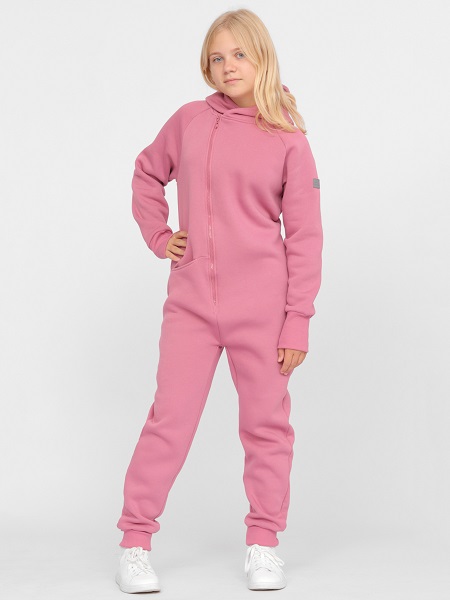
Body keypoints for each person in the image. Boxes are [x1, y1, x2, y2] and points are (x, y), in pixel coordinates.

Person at [115, 8, 323, 593]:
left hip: (263, 312)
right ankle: (135, 542)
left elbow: (305, 238)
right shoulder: (188, 121)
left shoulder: (289, 139)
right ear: (206, 67)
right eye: (216, 57)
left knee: (266, 427)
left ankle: (264, 543)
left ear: (262, 58)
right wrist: (161, 237)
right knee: (169, 422)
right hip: (191, 308)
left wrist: (297, 322)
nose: (228, 66)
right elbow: (146, 173)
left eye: (239, 54)